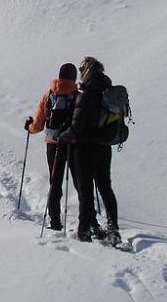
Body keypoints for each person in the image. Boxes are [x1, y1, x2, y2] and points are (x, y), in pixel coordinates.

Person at [57, 56, 121, 245]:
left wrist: (63, 136)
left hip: (84, 149)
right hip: (104, 147)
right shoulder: (109, 92)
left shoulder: (86, 96)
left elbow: (76, 127)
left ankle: (84, 229)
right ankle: (113, 229)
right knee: (105, 187)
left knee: (85, 191)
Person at [24, 63, 79, 231]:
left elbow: (39, 125)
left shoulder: (48, 94)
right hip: (73, 144)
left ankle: (54, 221)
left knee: (55, 183)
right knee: (79, 182)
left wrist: (29, 127)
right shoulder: (78, 96)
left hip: (53, 144)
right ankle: (90, 221)